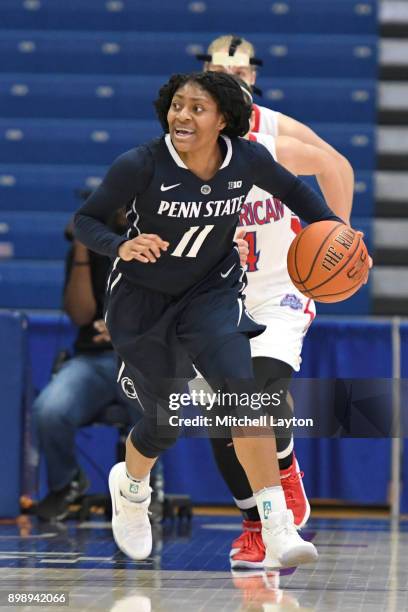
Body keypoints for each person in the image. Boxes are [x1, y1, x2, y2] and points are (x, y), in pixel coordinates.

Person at [74, 71, 345, 568]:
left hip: (212, 295)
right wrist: (121, 246)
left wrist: (343, 239)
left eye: (196, 108)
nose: (182, 115)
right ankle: (131, 489)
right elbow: (86, 221)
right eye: (177, 105)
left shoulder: (246, 159)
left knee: (243, 399)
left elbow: (303, 197)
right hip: (144, 303)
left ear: (223, 119)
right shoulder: (140, 164)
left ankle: (277, 525)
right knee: (165, 426)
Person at [196, 35, 355, 567]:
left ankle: (284, 473)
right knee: (221, 414)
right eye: (220, 71)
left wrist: (340, 238)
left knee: (256, 391)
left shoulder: (273, 131)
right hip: (218, 293)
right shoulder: (186, 136)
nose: (230, 80)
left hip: (280, 287)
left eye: (239, 73)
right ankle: (255, 524)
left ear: (252, 78)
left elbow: (337, 168)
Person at [33, 211, 163, 522]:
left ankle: (144, 487)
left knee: (152, 409)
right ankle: (66, 484)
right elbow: (80, 315)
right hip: (92, 359)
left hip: (142, 359)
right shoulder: (90, 248)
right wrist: (81, 251)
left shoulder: (157, 243)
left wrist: (126, 329)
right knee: (49, 410)